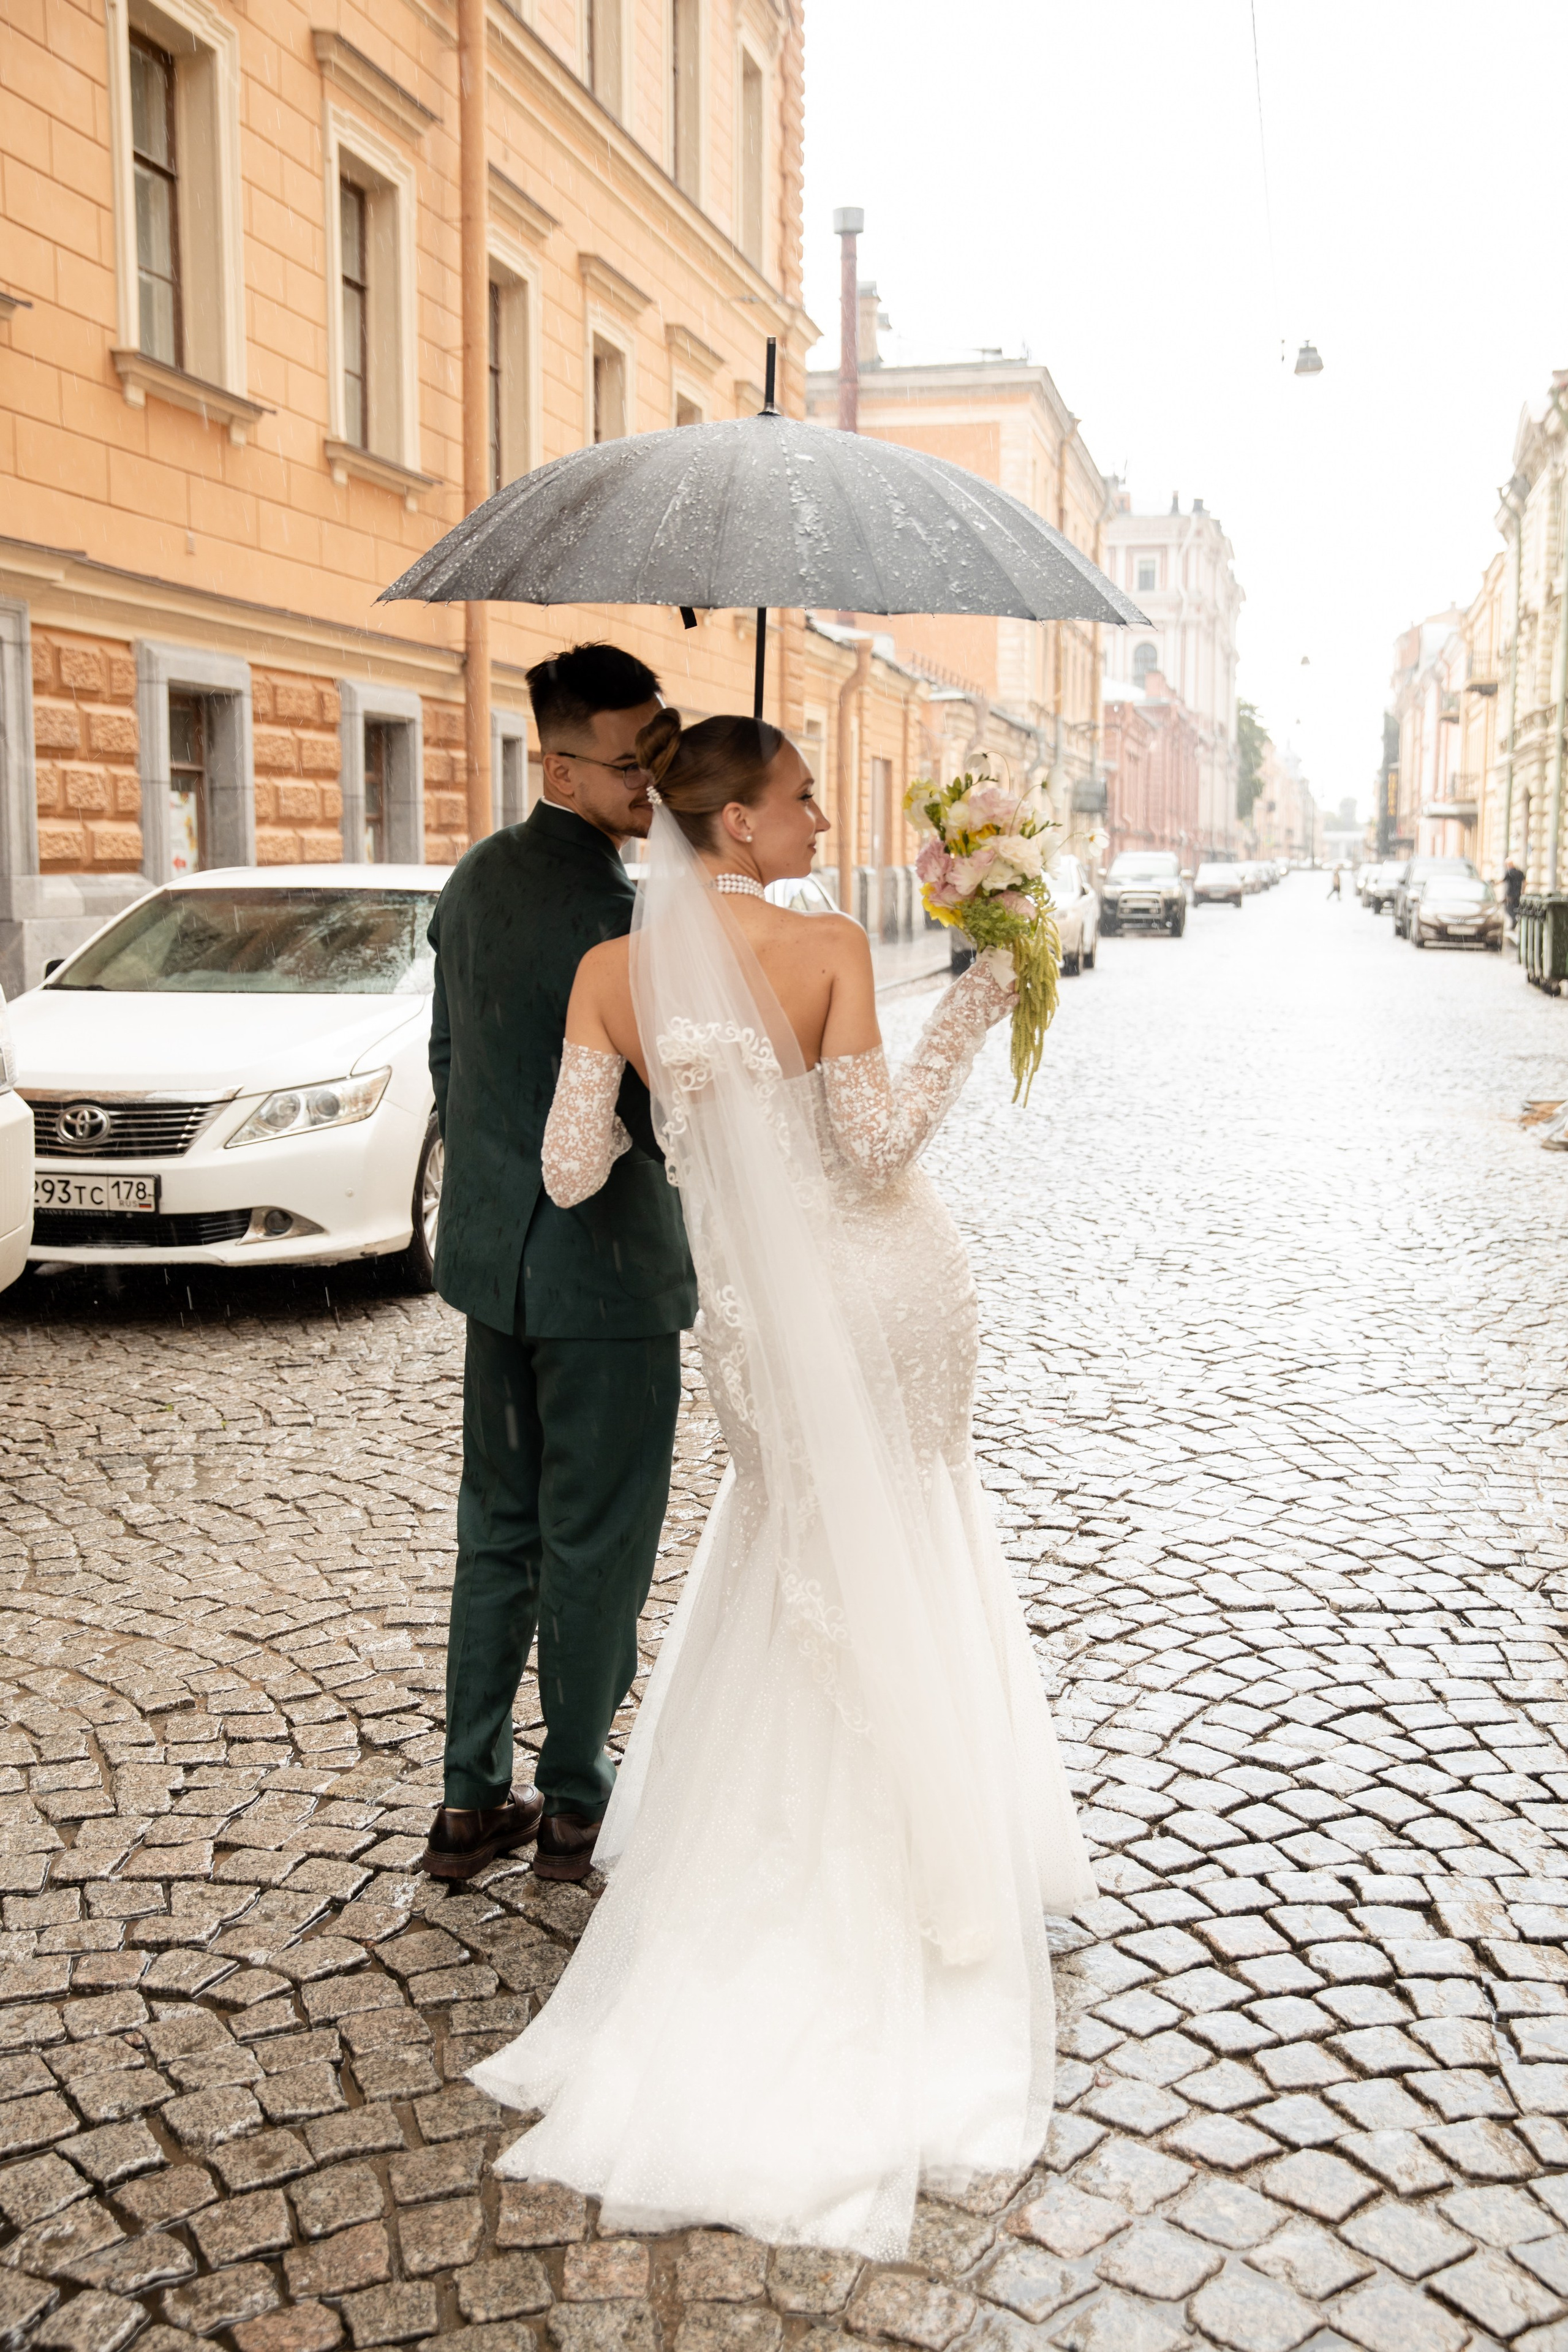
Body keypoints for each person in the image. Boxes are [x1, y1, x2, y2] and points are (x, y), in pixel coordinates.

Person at [470, 711, 1095, 2258]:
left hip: (751, 1322)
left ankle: (763, 1866)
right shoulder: (819, 951)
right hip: (886, 1292)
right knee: (909, 1527)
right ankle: (925, 1861)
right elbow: (874, 1151)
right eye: (799, 798)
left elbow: (564, 1168)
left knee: (781, 1550)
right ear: (733, 824)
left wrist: (685, 1125)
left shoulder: (610, 973)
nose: (821, 818)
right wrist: (976, 998)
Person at [421, 645, 697, 1887]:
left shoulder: (475, 881)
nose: (652, 782)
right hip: (604, 1279)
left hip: (497, 1273)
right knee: (594, 1541)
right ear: (556, 759)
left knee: (498, 1532)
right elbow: (668, 1105)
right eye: (630, 762)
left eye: (661, 755)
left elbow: (449, 1067)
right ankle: (576, 1799)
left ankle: (469, 1798)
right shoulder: (623, 917)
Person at [1503, 857, 1525, 921]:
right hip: (1518, 894)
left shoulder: (1509, 873)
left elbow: (1503, 880)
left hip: (1511, 894)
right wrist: (1523, 890)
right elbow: (1525, 882)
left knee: (1509, 909)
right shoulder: (1520, 872)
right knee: (1516, 907)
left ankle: (1514, 920)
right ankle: (1515, 920)